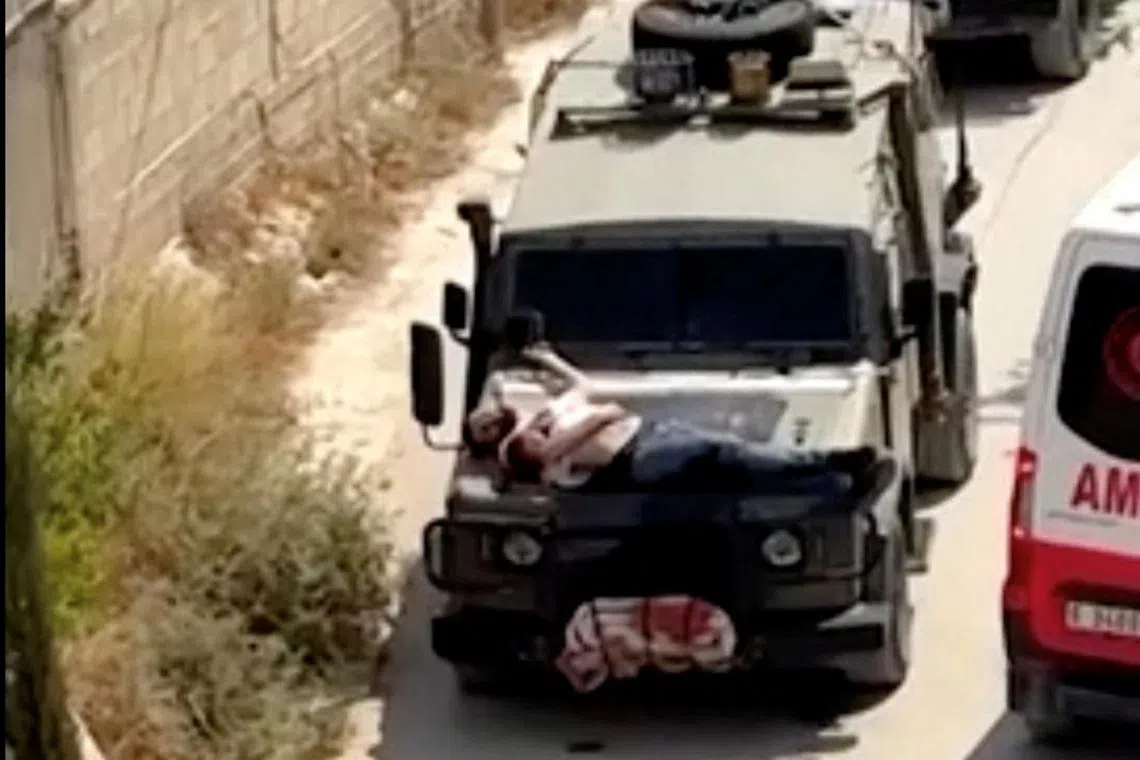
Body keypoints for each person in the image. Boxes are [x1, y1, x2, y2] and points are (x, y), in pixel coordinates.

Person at [465, 343, 878, 495]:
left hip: (649, 432)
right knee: (729, 455)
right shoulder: (518, 449)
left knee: (735, 464)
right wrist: (599, 419)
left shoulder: (543, 416)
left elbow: (584, 388)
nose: (484, 417)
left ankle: (827, 476)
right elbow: (553, 451)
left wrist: (549, 360)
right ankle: (834, 465)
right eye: (480, 427)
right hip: (637, 455)